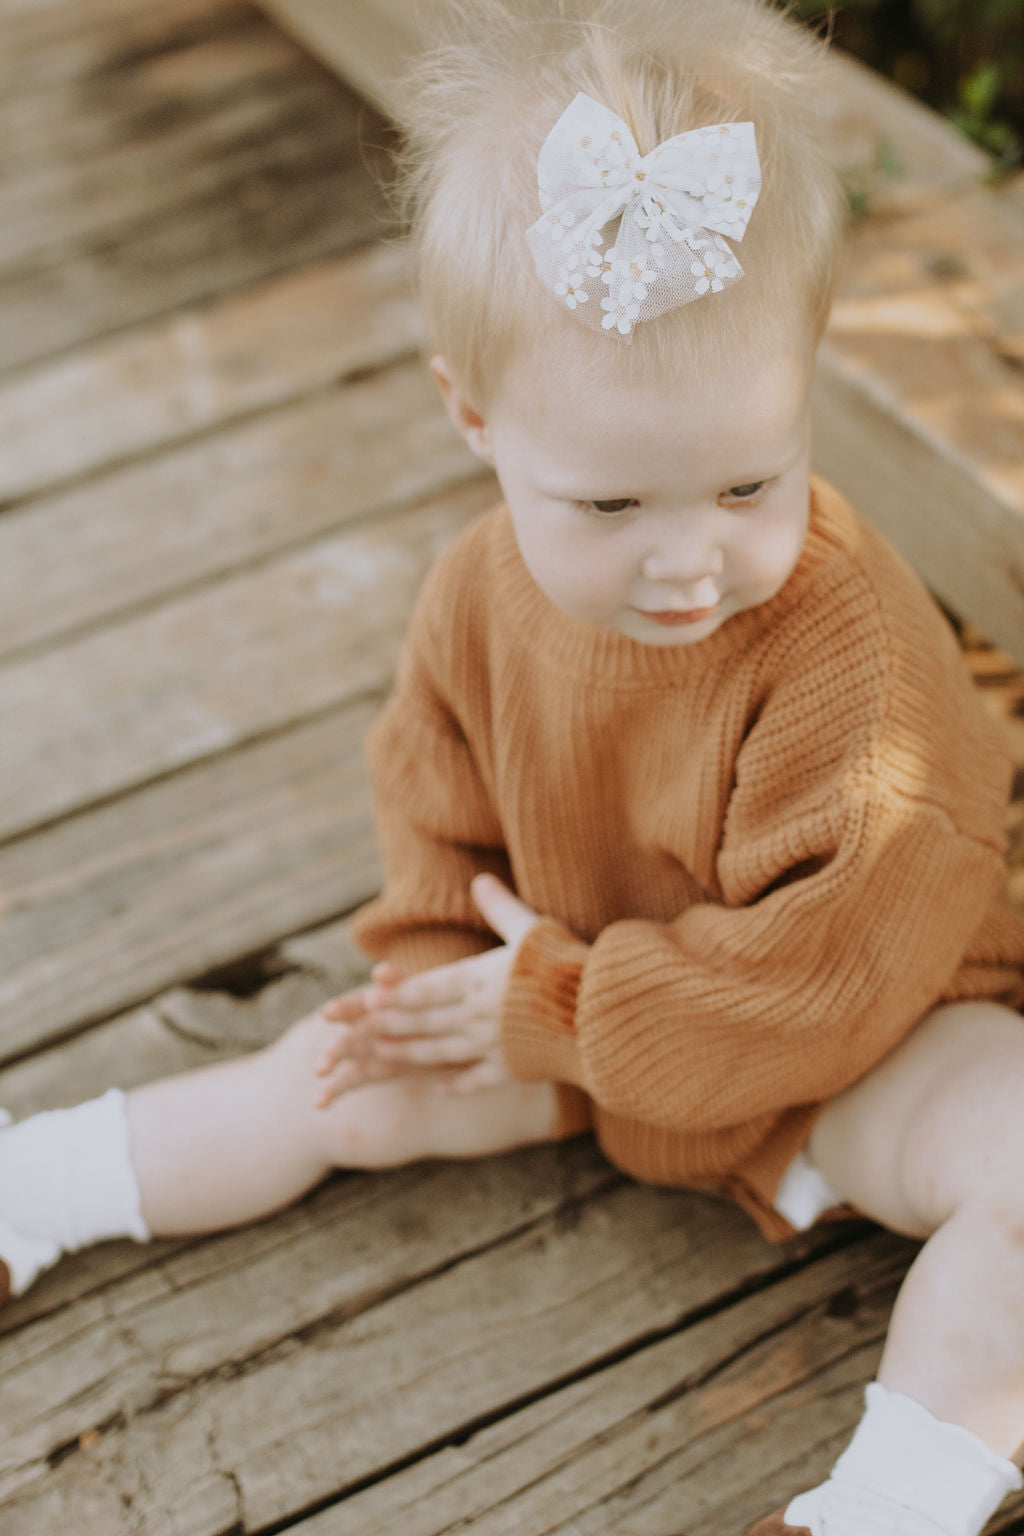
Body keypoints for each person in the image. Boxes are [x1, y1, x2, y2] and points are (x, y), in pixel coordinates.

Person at [4, 0, 1024, 1530]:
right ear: (473, 418)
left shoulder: (857, 662)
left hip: (866, 1048)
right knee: (330, 1084)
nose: (690, 560)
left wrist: (559, 1001)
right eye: (610, 508)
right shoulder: (477, 598)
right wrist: (438, 991)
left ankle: (891, 1501)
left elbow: (829, 972)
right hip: (577, 1019)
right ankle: (45, 1183)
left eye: (751, 480)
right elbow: (437, 797)